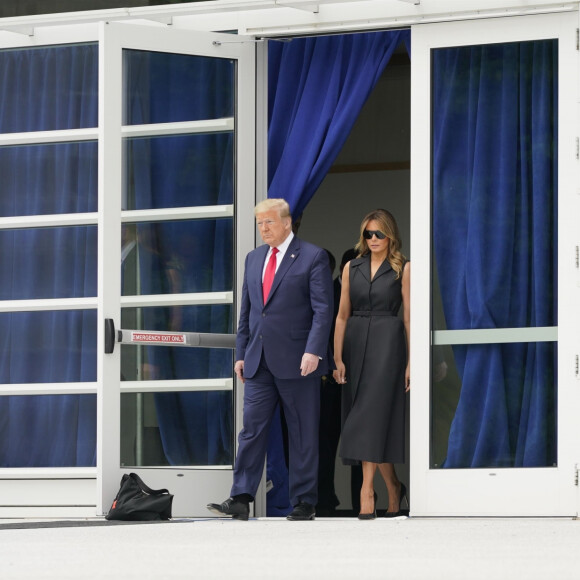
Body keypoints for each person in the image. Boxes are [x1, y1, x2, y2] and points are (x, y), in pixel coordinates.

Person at [207, 198, 334, 521]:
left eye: (269, 222)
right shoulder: (254, 258)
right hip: (258, 361)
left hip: (298, 360)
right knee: (251, 430)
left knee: (303, 432)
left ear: (287, 223)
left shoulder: (312, 257)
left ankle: (304, 501)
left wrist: (314, 350)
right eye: (260, 223)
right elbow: (247, 312)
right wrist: (241, 352)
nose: (263, 228)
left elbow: (323, 310)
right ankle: (241, 496)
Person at [333, 209, 410, 519]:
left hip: (388, 343)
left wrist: (411, 361)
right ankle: (393, 485)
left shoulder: (403, 268)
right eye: (368, 234)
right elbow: (341, 315)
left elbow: (409, 317)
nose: (374, 239)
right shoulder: (353, 266)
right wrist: (337, 357)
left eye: (379, 233)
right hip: (355, 342)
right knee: (366, 418)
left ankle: (368, 490)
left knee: (370, 415)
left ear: (390, 234)